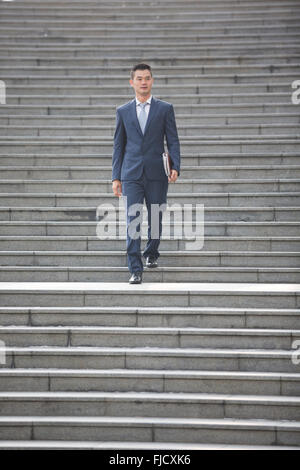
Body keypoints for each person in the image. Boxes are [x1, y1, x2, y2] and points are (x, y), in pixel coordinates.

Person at [112, 63, 181, 284]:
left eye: (147, 78)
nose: (144, 82)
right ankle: (135, 268)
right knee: (133, 219)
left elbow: (173, 140)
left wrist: (175, 166)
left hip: (157, 172)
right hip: (131, 173)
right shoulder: (122, 111)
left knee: (155, 217)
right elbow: (118, 146)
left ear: (152, 81)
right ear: (131, 82)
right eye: (139, 78)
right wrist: (116, 177)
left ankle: (152, 252)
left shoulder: (164, 108)